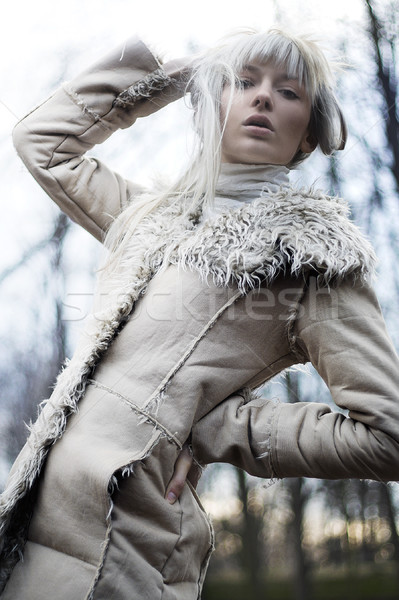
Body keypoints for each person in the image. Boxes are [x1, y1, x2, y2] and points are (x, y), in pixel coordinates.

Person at [1, 27, 399, 600]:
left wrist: (210, 425)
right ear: (209, 105)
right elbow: (41, 141)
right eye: (242, 82)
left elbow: (384, 433)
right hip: (33, 517)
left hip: (124, 545)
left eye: (288, 91)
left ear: (309, 134)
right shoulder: (145, 218)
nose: (262, 97)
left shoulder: (316, 257)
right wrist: (168, 78)